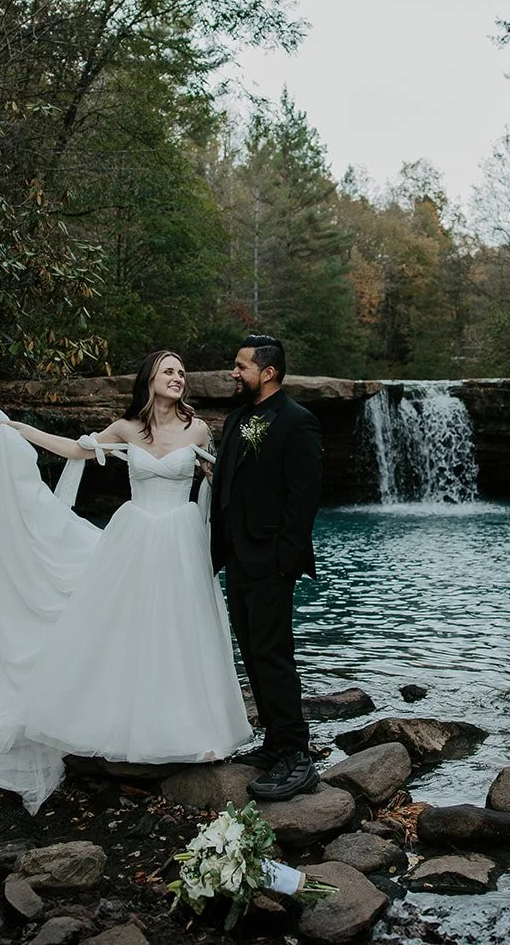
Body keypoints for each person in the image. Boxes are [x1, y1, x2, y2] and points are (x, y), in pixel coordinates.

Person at [0, 350, 250, 813]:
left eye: (181, 373)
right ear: (150, 379)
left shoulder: (197, 430)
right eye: (169, 371)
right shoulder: (125, 430)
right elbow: (76, 449)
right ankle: (118, 727)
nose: (178, 378)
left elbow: (216, 474)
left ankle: (195, 733)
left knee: (182, 628)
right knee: (125, 628)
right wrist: (20, 431)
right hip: (134, 535)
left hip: (179, 536)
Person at [211, 334, 324, 801]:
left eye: (241, 366)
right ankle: (274, 743)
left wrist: (284, 562)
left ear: (268, 372)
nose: (233, 373)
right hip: (236, 557)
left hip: (271, 563)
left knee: (274, 653)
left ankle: (298, 757)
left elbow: (303, 502)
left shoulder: (298, 423)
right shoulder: (238, 418)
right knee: (253, 652)